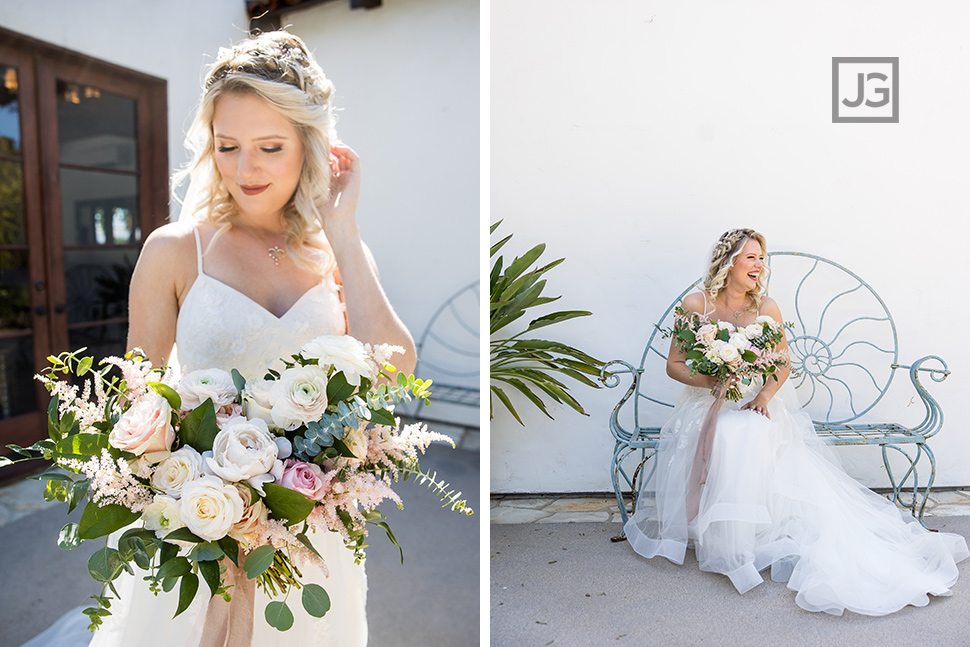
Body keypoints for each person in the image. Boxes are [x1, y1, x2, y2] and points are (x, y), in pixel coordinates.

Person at [91, 31, 415, 646]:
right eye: (227, 146)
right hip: (196, 532)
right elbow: (137, 401)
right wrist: (187, 485)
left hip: (310, 533)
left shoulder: (339, 252)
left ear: (308, 145)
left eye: (269, 146)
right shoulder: (174, 250)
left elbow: (396, 370)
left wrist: (343, 233)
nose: (246, 169)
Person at [624, 228, 969, 616]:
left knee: (749, 428)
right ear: (730, 261)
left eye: (762, 258)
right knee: (729, 431)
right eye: (752, 257)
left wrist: (763, 397)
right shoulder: (696, 304)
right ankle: (722, 535)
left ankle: (743, 537)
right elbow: (674, 365)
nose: (759, 265)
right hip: (706, 403)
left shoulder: (766, 308)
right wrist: (714, 379)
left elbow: (783, 361)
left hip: (755, 400)